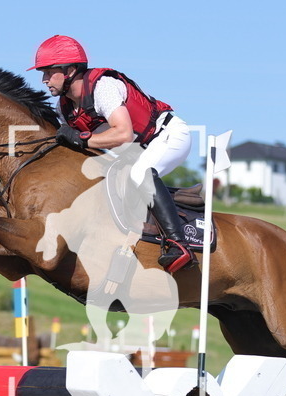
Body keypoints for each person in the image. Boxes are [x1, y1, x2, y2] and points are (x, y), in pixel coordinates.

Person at [29, 35, 196, 272]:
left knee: (140, 173)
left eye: (48, 72)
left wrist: (82, 139)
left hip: (167, 136)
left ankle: (178, 244)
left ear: (70, 70)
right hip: (134, 152)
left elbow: (123, 133)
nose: (44, 80)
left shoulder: (102, 87)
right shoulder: (64, 107)